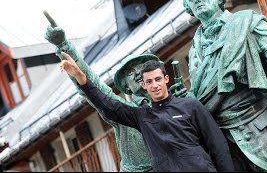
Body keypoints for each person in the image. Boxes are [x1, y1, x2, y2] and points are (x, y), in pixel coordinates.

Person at [177, 0, 267, 171]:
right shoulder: (194, 50)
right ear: (189, 7)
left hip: (261, 130)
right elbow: (202, 93)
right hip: (222, 144)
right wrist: (187, 99)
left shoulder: (246, 23)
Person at [60, 52, 235, 172]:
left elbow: (218, 145)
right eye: (149, 81)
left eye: (158, 79)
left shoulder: (191, 106)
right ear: (144, 85)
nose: (155, 85)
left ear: (166, 79)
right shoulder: (142, 116)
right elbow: (107, 104)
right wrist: (80, 77)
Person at [44, 25, 155, 172]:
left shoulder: (175, 103)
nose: (137, 74)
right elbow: (93, 86)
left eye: (141, 68)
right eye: (130, 72)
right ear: (126, 87)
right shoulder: (123, 111)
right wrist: (63, 45)